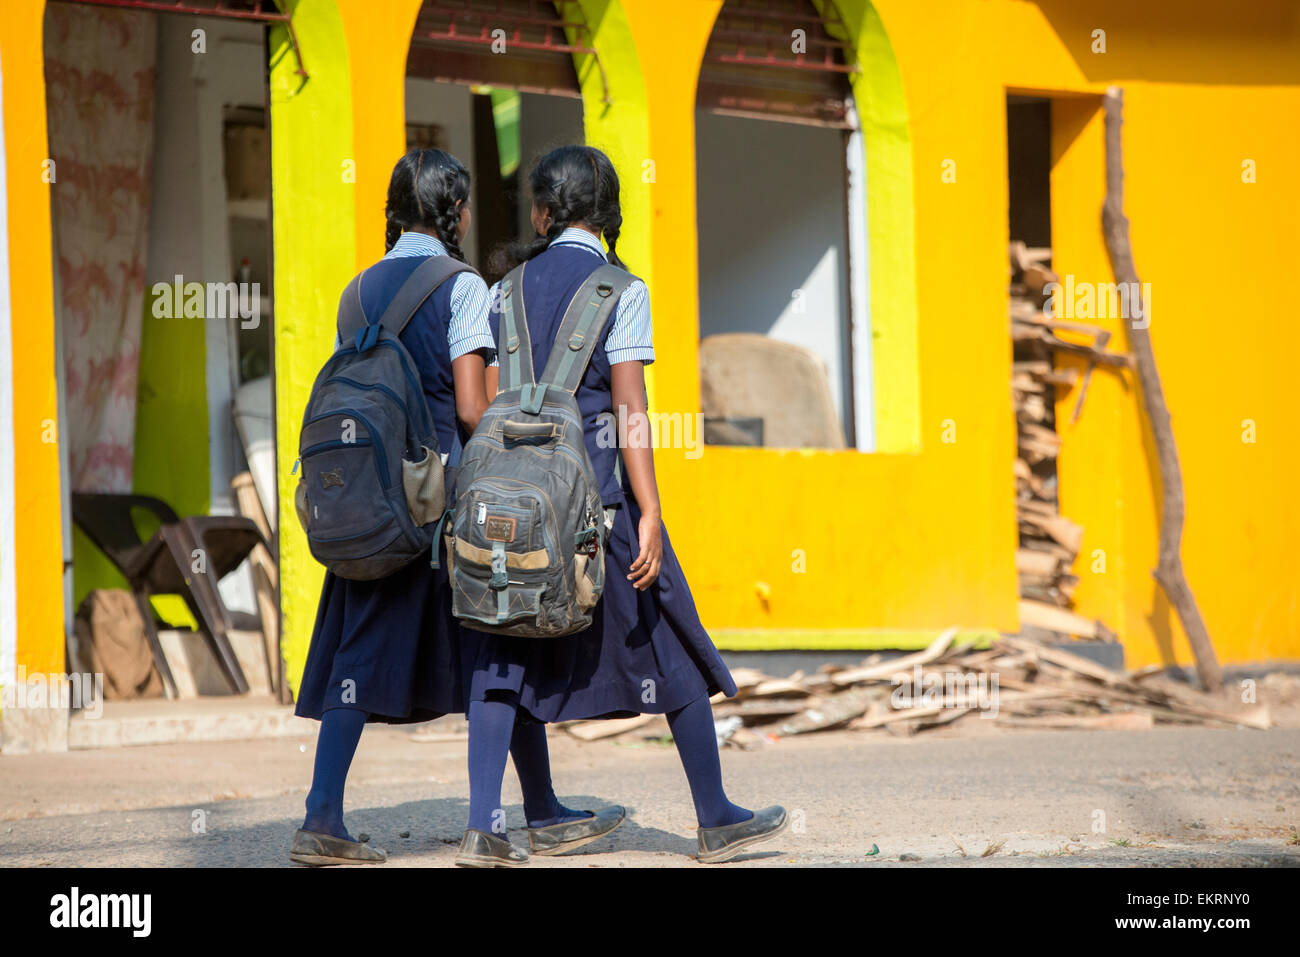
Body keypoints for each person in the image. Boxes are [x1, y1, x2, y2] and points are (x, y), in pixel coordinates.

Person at [458, 145, 787, 867]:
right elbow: (631, 410)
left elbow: (480, 403)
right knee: (667, 634)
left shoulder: (502, 289)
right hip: (594, 503)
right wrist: (650, 510)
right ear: (605, 213)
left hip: (511, 511)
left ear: (542, 213)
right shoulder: (619, 289)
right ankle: (715, 817)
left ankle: (487, 823)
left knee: (502, 649)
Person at [291, 149, 606, 866]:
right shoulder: (461, 286)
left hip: (370, 503)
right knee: (499, 644)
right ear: (454, 212)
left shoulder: (357, 290)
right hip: (439, 501)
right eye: (465, 206)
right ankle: (501, 820)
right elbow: (470, 407)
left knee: (356, 654)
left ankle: (322, 814)